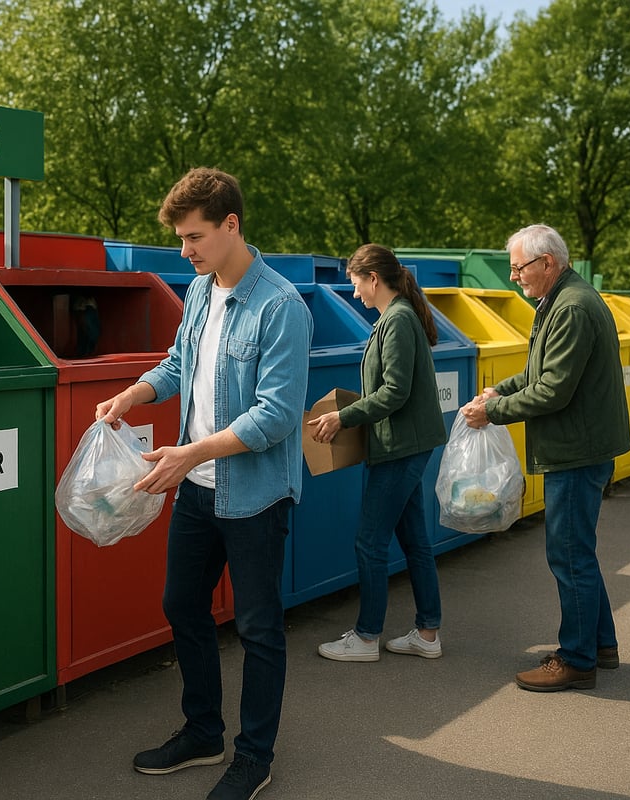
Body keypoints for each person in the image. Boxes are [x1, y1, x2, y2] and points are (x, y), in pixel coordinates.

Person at [96, 167, 311, 800]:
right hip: (196, 487)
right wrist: (133, 395)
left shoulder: (281, 306)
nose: (185, 252)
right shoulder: (198, 291)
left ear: (231, 225)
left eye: (194, 237)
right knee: (181, 605)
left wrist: (189, 454)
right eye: (182, 240)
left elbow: (275, 415)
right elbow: (177, 364)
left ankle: (254, 756)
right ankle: (203, 731)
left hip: (253, 493)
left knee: (259, 626)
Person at [461, 223, 630, 692]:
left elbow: (553, 390)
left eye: (518, 268)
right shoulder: (562, 300)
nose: (513, 277)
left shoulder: (571, 307)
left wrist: (492, 412)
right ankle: (601, 645)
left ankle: (576, 659)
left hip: (576, 452)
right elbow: (541, 371)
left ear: (547, 263)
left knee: (569, 555)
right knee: (579, 553)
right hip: (580, 445)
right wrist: (502, 389)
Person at [308, 244, 447, 663]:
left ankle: (367, 637)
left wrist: (344, 417)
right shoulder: (397, 316)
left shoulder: (398, 320)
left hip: (399, 448)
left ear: (373, 278)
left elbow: (395, 391)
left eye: (355, 285)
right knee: (414, 540)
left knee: (369, 543)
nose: (354, 295)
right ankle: (427, 633)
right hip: (405, 443)